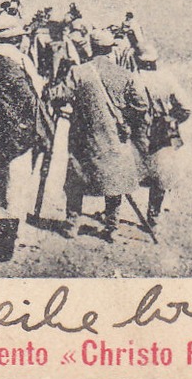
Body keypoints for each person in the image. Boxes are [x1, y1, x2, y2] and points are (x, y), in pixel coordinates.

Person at [50, 29, 147, 241]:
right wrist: (125, 120)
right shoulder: (125, 74)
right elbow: (141, 105)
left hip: (83, 136)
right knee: (115, 180)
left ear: (92, 48)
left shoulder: (79, 72)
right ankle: (111, 227)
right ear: (110, 49)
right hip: (114, 137)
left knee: (76, 178)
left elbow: (59, 95)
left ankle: (71, 224)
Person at [0, 14, 52, 214]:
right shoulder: (19, 61)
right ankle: (12, 218)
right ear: (16, 39)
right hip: (20, 126)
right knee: (17, 175)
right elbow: (33, 94)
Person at [132, 49, 191, 230]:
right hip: (161, 132)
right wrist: (172, 120)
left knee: (128, 169)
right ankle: (153, 216)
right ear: (155, 61)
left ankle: (113, 215)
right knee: (161, 174)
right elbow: (185, 109)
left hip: (137, 132)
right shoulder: (167, 79)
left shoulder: (132, 79)